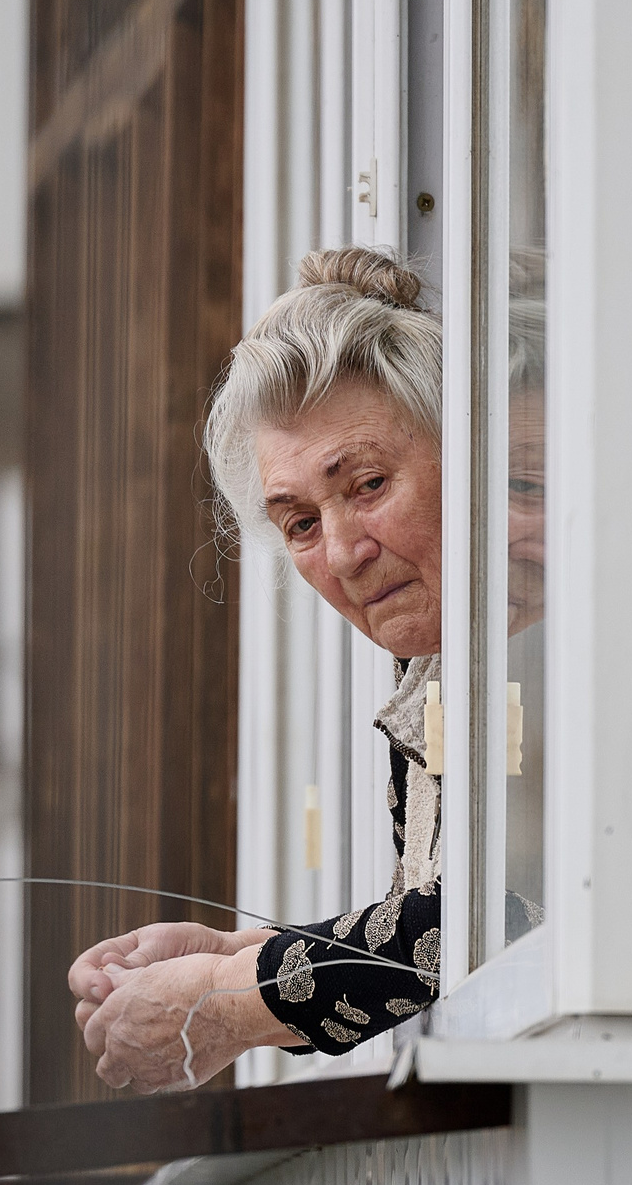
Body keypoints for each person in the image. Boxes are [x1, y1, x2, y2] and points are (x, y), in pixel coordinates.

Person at [65, 245, 541, 1093]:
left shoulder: (546, 638)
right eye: (301, 525)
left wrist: (228, 999)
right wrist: (236, 952)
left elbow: (493, 920)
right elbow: (426, 935)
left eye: (368, 483)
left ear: (470, 456)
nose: (346, 553)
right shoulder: (439, 668)